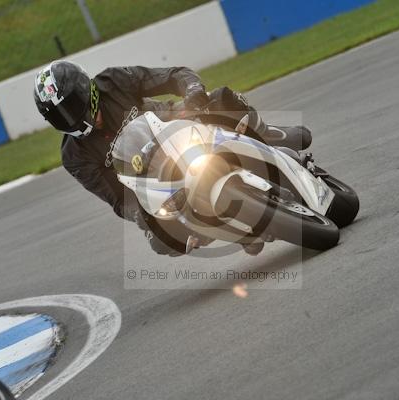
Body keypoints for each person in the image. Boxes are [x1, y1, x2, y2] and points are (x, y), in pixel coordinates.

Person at [33, 60, 312, 256]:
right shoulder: (74, 156)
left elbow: (174, 74)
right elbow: (118, 199)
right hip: (157, 181)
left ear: (86, 89)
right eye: (59, 115)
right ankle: (235, 230)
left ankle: (267, 134)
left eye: (70, 106)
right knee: (160, 241)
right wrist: (144, 213)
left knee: (221, 100)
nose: (69, 117)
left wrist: (192, 93)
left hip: (175, 124)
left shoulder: (114, 81)